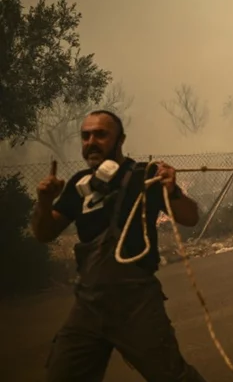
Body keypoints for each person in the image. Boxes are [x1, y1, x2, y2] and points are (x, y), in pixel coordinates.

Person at [31, 109, 206, 381]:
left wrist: (171, 190)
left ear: (120, 140)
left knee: (172, 376)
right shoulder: (80, 183)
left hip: (136, 304)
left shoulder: (144, 175)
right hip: (88, 304)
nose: (91, 142)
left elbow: (190, 217)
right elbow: (44, 233)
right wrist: (44, 201)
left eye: (101, 135)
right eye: (85, 136)